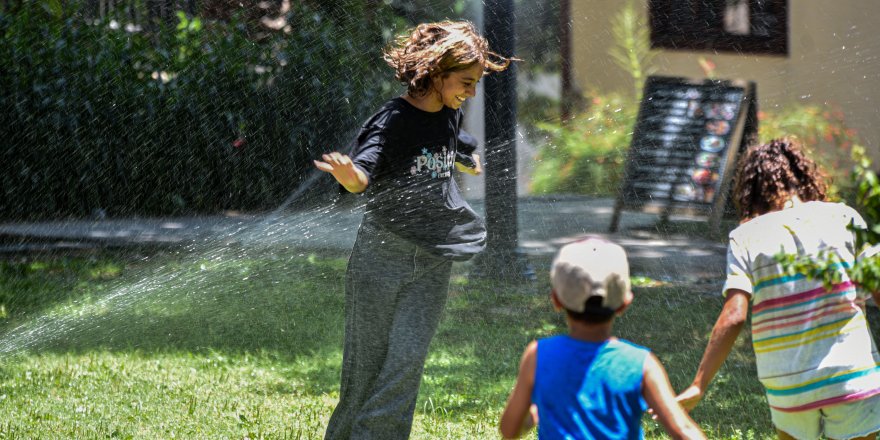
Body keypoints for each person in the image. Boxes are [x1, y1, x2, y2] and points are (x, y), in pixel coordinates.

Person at [313, 21, 513, 440]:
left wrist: (464, 156)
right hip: (382, 257)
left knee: (406, 362)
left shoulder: (448, 112)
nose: (471, 92)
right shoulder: (391, 120)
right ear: (437, 73)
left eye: (476, 83)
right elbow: (363, 175)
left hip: (433, 259)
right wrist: (350, 177)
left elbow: (454, 137)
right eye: (466, 82)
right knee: (365, 369)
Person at [676, 138, 880, 440]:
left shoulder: (745, 237)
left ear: (751, 189)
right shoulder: (844, 217)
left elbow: (734, 316)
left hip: (788, 385)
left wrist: (698, 384)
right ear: (804, 175)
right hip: (852, 375)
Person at [499, 238, 706, 439]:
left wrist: (534, 415)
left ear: (556, 300)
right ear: (625, 303)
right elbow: (684, 432)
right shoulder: (641, 364)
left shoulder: (537, 356)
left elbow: (509, 429)